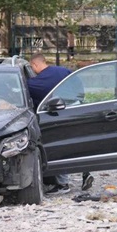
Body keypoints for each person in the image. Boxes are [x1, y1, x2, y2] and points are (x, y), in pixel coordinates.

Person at [27, 54, 94, 194]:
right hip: (76, 109)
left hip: (58, 115)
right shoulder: (63, 70)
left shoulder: (37, 81)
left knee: (59, 147)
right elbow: (78, 84)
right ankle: (85, 172)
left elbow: (32, 97)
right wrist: (79, 101)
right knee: (79, 144)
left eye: (32, 67)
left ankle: (63, 184)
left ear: (34, 65)